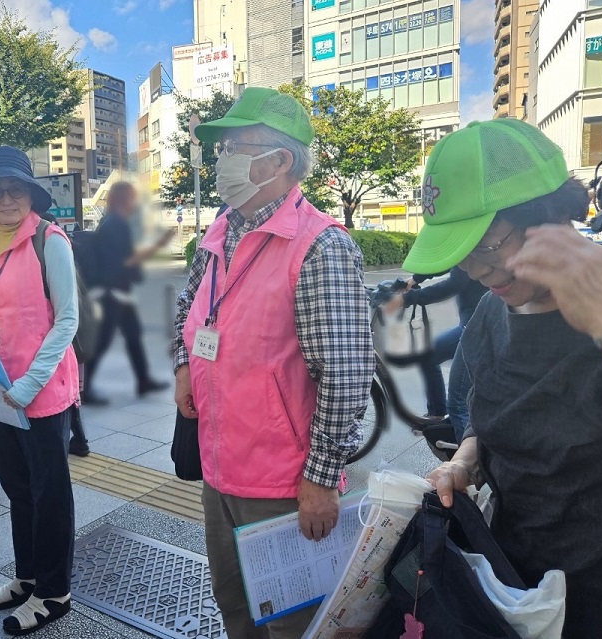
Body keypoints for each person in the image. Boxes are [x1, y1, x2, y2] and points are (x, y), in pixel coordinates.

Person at [405, 119, 602, 638]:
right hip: (517, 593)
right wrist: (465, 461)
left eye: (489, 246)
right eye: (461, 254)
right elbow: (486, 412)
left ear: (551, 214)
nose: (476, 271)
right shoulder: (492, 316)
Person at [172, 87, 374, 638]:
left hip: (284, 484)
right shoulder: (219, 231)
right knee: (235, 607)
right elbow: (189, 306)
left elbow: (347, 374)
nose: (223, 161)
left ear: (282, 160)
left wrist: (321, 478)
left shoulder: (320, 246)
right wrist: (183, 364)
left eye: (236, 146)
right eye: (221, 149)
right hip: (220, 468)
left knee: (293, 624)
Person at [0, 146, 79, 636]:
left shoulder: (51, 240)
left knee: (49, 493)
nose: (6, 198)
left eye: (15, 189)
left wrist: (30, 383)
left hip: (42, 391)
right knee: (16, 487)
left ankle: (54, 591)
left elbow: (67, 319)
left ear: (31, 194)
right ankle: (27, 575)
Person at [82, 181, 173, 404]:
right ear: (125, 198)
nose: (136, 202)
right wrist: (158, 245)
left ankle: (143, 380)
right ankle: (84, 388)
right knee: (102, 341)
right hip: (112, 292)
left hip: (117, 291)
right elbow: (125, 261)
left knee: (133, 336)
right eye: (133, 197)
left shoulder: (110, 221)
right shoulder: (117, 224)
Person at [382, 267, 487, 438]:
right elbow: (445, 261)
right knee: (427, 356)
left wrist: (406, 299)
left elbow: (453, 284)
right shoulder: (461, 245)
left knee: (458, 405)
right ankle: (437, 414)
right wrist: (415, 279)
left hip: (477, 327)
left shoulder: (469, 245)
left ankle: (462, 461)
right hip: (470, 323)